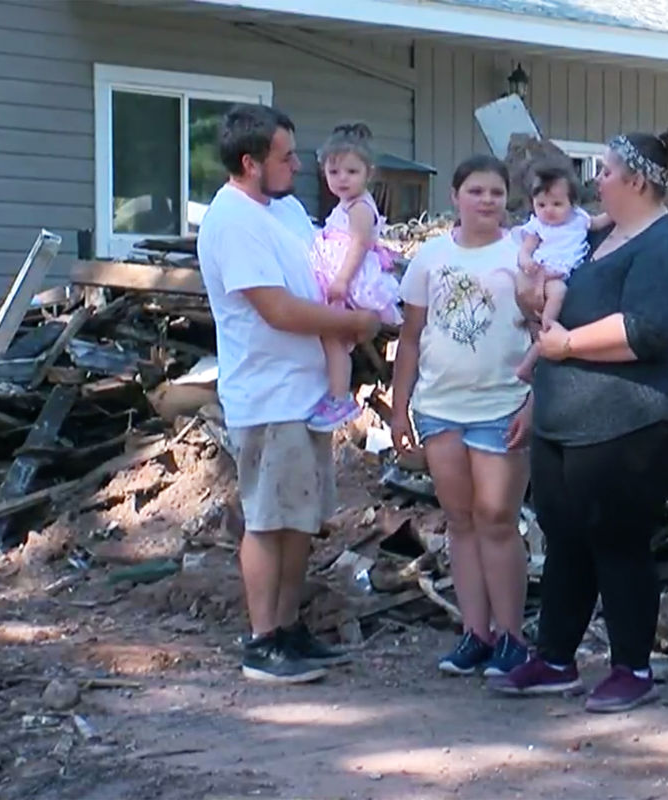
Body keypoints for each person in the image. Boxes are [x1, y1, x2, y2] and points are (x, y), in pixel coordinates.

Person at [489, 128, 668, 713]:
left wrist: (569, 345)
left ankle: (632, 666)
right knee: (566, 539)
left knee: (617, 538)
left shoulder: (663, 247)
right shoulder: (600, 238)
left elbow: (650, 329)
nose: (596, 180)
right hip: (568, 419)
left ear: (636, 180)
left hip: (633, 420)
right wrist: (540, 397)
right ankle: (556, 658)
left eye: (604, 170)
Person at [197, 104, 380, 683]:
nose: (299, 166)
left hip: (307, 393)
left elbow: (324, 271)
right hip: (269, 394)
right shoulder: (232, 221)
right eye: (286, 157)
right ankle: (263, 639)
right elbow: (275, 309)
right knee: (268, 519)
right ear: (250, 163)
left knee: (300, 518)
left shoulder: (288, 211)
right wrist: (350, 327)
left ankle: (290, 628)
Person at [390, 155, 534, 678]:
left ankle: (513, 638)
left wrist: (534, 403)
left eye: (497, 192)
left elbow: (546, 335)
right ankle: (476, 633)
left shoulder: (521, 253)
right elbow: (410, 339)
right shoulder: (430, 257)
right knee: (461, 520)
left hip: (502, 406)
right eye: (477, 191)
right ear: (455, 196)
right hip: (439, 408)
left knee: (497, 519)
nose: (488, 201)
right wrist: (398, 409)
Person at [306, 123, 402, 430]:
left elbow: (360, 244)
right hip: (340, 276)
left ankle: (339, 398)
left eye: (351, 171)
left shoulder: (361, 206)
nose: (342, 179)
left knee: (333, 337)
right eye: (334, 173)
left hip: (352, 281)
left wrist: (342, 281)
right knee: (329, 337)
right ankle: (333, 392)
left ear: (368, 172)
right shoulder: (345, 203)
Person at [513, 162, 610, 382]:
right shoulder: (538, 226)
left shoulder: (579, 220)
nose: (549, 210)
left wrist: (613, 213)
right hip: (544, 271)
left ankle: (531, 357)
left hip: (563, 272)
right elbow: (525, 250)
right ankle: (547, 325)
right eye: (541, 204)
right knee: (558, 294)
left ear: (572, 203)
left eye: (557, 203)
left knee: (561, 295)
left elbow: (598, 222)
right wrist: (527, 262)